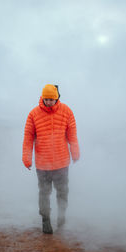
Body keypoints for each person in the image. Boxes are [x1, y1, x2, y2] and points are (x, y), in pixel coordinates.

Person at [22, 84, 80, 234]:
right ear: (42, 97)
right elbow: (28, 138)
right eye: (46, 99)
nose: (49, 102)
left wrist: (75, 153)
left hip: (61, 162)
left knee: (63, 192)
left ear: (57, 98)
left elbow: (72, 134)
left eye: (51, 99)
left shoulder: (66, 111)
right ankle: (45, 220)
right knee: (44, 193)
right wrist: (27, 158)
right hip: (43, 164)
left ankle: (62, 216)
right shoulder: (33, 114)